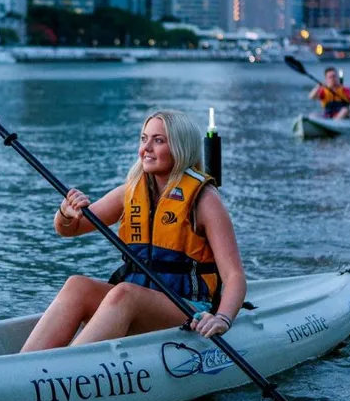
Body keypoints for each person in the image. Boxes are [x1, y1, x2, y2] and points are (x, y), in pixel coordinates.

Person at [20, 110, 246, 353]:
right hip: (137, 300)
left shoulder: (204, 199)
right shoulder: (130, 192)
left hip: (188, 308)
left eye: (158, 140)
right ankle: (26, 362)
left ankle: (67, 367)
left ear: (181, 147)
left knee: (125, 294)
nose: (146, 148)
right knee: (78, 286)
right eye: (143, 139)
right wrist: (65, 212)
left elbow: (234, 275)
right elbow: (70, 229)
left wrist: (222, 319)